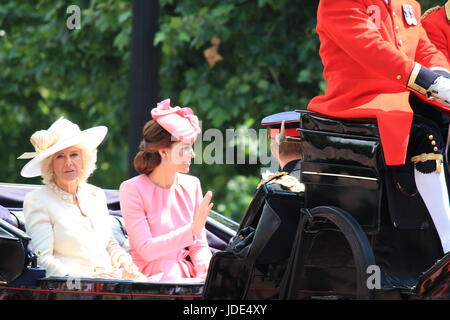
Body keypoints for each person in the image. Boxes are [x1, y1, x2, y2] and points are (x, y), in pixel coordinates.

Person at [308, 0, 450, 257]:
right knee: (424, 133)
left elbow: (424, 48)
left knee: (442, 120)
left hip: (401, 100)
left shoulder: (407, 3)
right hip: (357, 102)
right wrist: (430, 82)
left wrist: (443, 76)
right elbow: (372, 49)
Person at [19, 118, 145, 280]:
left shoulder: (96, 195)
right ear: (50, 164)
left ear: (84, 159)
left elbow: (109, 243)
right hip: (70, 289)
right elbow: (43, 260)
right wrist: (85, 278)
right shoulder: (37, 200)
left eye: (74, 155)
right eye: (60, 157)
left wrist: (124, 262)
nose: (69, 162)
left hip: (110, 283)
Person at [119, 99, 213, 282]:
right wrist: (191, 230)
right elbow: (146, 250)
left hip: (186, 279)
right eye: (185, 148)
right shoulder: (131, 189)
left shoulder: (192, 184)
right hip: (148, 281)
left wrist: (207, 270)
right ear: (163, 152)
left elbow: (199, 246)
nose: (192, 154)